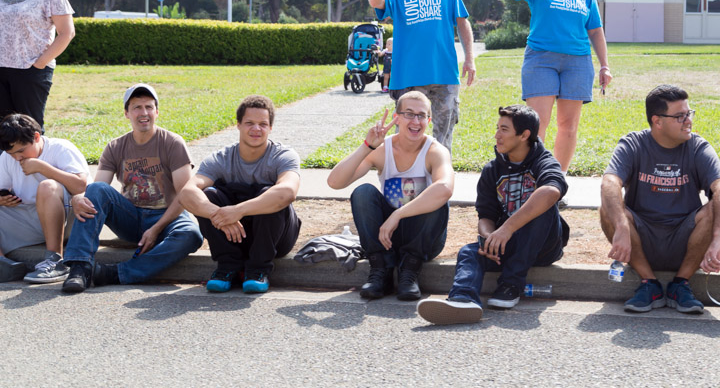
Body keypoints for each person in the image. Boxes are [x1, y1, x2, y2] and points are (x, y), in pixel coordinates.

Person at [417, 105, 568, 325]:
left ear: (524, 135)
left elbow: (552, 191)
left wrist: (507, 228)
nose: (497, 135)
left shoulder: (543, 161)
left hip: (543, 246)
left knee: (543, 205)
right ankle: (462, 299)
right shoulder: (492, 170)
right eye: (497, 128)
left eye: (504, 129)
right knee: (469, 251)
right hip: (507, 243)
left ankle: (511, 285)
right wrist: (489, 238)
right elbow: (486, 215)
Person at [599, 84, 720, 314]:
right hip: (640, 241)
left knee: (718, 204)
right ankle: (649, 283)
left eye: (689, 114)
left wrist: (717, 240)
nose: (688, 121)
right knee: (607, 207)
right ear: (657, 121)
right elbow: (609, 182)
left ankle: (680, 284)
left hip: (686, 242)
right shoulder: (633, 144)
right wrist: (621, 225)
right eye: (680, 116)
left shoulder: (697, 147)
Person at [61, 84, 203, 293]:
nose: (143, 113)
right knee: (96, 191)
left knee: (191, 234)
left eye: (148, 107)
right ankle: (79, 267)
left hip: (167, 216)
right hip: (130, 216)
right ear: (127, 113)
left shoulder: (173, 143)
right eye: (137, 107)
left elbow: (185, 196)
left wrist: (155, 229)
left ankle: (114, 273)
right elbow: (98, 188)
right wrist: (78, 197)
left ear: (157, 112)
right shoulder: (115, 146)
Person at [501, 0, 612, 173]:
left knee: (568, 125)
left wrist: (605, 64)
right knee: (536, 124)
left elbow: (595, 30)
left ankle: (555, 180)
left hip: (578, 62)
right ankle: (531, 176)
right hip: (542, 58)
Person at [327, 91, 454, 301]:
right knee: (363, 193)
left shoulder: (435, 151)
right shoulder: (382, 149)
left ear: (428, 120)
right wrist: (367, 146)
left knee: (438, 200)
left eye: (421, 115)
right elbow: (335, 182)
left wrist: (398, 215)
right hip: (387, 237)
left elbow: (445, 188)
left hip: (422, 237)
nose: (415, 121)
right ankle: (380, 270)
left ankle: (410, 272)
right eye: (409, 114)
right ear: (397, 118)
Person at [175, 95, 301, 294]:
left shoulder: (283, 155)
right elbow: (187, 193)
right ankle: (227, 267)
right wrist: (219, 214)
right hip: (232, 235)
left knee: (272, 194)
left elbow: (287, 192)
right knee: (208, 194)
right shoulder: (220, 158)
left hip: (276, 238)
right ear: (238, 125)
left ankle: (258, 270)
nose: (256, 129)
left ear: (270, 128)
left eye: (263, 124)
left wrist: (237, 211)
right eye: (249, 123)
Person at [368, 0, 475, 152]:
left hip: (444, 76)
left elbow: (463, 22)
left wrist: (470, 59)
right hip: (408, 77)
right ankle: (405, 181)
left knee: (443, 139)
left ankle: (440, 181)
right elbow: (375, 2)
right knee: (408, 138)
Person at [0, 113, 87, 283]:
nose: (18, 158)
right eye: (12, 154)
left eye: (21, 151)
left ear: (37, 137)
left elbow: (81, 186)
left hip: (68, 218)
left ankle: (55, 261)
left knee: (47, 187)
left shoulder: (61, 148)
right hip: (28, 218)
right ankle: (4, 265)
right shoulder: (8, 158)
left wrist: (42, 168)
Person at [0, 0, 75, 131]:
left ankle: (33, 162)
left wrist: (40, 62)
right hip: (2, 70)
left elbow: (67, 33)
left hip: (31, 71)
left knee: (28, 130)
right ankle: (6, 163)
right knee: (3, 130)